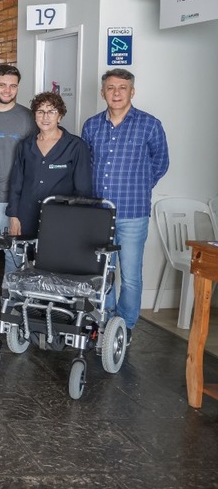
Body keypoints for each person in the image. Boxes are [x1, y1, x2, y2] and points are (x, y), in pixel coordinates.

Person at [81, 69, 169, 341]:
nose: (116, 93)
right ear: (102, 92)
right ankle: (105, 321)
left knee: (129, 275)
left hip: (133, 213)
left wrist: (140, 185)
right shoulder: (92, 125)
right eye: (110, 88)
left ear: (132, 91)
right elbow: (86, 163)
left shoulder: (149, 124)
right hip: (99, 214)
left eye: (122, 88)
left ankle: (125, 325)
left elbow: (161, 162)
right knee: (103, 273)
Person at [0, 64, 35, 315]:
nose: (7, 90)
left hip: (15, 201)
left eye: (13, 85)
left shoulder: (28, 118)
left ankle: (11, 304)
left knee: (14, 257)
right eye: (2, 84)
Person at [7, 92, 93, 237]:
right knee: (25, 259)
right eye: (40, 112)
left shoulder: (76, 146)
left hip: (61, 219)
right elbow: (16, 184)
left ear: (60, 116)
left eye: (51, 112)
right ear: (34, 115)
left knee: (56, 258)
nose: (45, 117)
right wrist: (13, 216)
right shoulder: (25, 146)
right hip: (26, 217)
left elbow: (83, 190)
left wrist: (76, 220)